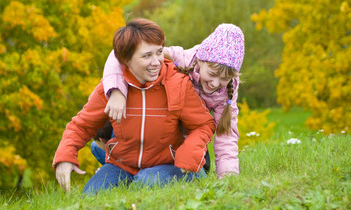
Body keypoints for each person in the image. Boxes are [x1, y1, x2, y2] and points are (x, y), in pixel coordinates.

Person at [52, 18, 215, 194]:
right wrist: (65, 156)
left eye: (159, 52)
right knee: (90, 196)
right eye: (147, 56)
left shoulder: (178, 84)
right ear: (125, 59)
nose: (156, 62)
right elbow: (81, 125)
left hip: (167, 164)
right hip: (121, 165)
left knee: (145, 183)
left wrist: (190, 151)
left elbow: (203, 124)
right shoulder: (109, 88)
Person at [102, 23, 245, 178]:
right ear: (201, 61)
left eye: (224, 79)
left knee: (167, 173)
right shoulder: (178, 58)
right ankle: (123, 171)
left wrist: (228, 176)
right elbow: (119, 54)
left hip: (190, 141)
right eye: (212, 74)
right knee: (99, 147)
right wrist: (116, 91)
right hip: (159, 133)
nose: (216, 83)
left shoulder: (226, 92)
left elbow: (226, 135)